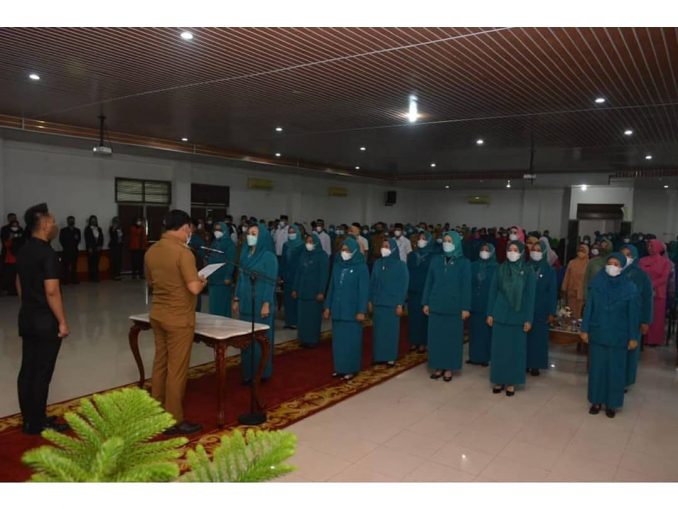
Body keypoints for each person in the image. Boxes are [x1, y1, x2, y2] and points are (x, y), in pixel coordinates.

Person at [145, 209, 207, 435]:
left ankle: (156, 412)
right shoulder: (183, 253)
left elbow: (151, 283)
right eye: (189, 229)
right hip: (179, 318)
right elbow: (194, 288)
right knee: (177, 370)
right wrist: (202, 280)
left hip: (158, 315)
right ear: (184, 227)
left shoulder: (152, 251)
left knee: (160, 363)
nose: (190, 233)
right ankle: (173, 420)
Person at [16, 203, 69, 434]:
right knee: (42, 372)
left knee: (27, 369)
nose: (55, 225)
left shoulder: (24, 250)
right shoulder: (47, 253)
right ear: (45, 224)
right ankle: (38, 423)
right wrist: (62, 321)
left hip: (27, 317)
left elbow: (19, 282)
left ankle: (29, 418)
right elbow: (52, 291)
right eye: (53, 221)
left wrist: (29, 304)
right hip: (46, 322)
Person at [580, 253, 640, 418]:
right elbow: (589, 308)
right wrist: (584, 329)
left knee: (615, 371)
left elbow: (633, 315)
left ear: (622, 267)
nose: (612, 266)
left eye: (616, 264)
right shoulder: (596, 284)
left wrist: (633, 337)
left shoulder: (630, 288)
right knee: (597, 369)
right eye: (610, 263)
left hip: (619, 335)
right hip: (598, 332)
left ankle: (612, 403)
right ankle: (596, 401)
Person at [487, 240, 536, 396]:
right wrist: (490, 313)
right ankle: (498, 379)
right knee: (499, 350)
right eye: (510, 249)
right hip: (500, 314)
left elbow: (530, 297)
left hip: (518, 316)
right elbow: (493, 292)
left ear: (521, 252)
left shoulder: (528, 271)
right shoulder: (500, 269)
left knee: (515, 351)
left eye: (515, 250)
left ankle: (511, 382)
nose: (512, 252)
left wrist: (529, 319)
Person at [421, 231, 471, 382]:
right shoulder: (436, 260)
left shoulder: (464, 263)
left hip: (454, 306)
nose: (446, 243)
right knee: (436, 338)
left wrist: (465, 307)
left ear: (456, 243)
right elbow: (429, 281)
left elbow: (466, 286)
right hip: (436, 304)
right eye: (445, 240)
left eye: (450, 241)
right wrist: (426, 302)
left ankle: (449, 368)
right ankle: (438, 366)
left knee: (451, 339)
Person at [233, 223, 278, 382]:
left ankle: (262, 372)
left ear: (262, 237)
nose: (250, 236)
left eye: (254, 234)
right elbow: (240, 278)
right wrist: (236, 298)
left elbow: (271, 282)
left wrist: (266, 303)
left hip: (261, 303)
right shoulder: (245, 254)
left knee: (260, 340)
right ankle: (248, 372)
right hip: (246, 302)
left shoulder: (269, 256)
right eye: (249, 233)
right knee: (246, 340)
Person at [323, 238, 369, 381]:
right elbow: (331, 287)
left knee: (351, 341)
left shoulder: (361, 267)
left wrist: (361, 310)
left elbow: (363, 290)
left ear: (354, 251)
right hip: (338, 309)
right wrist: (327, 306)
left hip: (352, 311)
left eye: (348, 250)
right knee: (338, 342)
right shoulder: (337, 265)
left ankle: (351, 368)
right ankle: (340, 368)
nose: (345, 252)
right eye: (343, 250)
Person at [369, 238, 409, 367]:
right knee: (378, 332)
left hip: (392, 303)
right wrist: (370, 300)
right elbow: (372, 282)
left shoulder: (400, 265)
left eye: (387, 246)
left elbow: (403, 285)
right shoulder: (377, 263)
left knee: (390, 331)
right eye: (383, 246)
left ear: (393, 249)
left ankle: (390, 356)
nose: (384, 248)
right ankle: (379, 356)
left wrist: (400, 303)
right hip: (378, 302)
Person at [620, 243, 653, 389]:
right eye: (623, 254)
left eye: (629, 255)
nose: (625, 258)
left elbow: (647, 299)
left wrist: (645, 320)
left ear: (635, 257)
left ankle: (626, 380)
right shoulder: (614, 271)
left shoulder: (642, 275)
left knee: (630, 350)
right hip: (615, 318)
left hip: (634, 318)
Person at [526, 240, 557, 376]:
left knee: (538, 338)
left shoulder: (549, 270)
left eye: (539, 250)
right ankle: (525, 363)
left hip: (542, 308)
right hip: (526, 308)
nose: (535, 252)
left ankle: (535, 365)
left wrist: (551, 312)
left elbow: (553, 292)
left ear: (544, 252)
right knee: (525, 337)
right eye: (534, 250)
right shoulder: (525, 267)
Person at [292, 233, 330, 348]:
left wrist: (321, 291)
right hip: (302, 291)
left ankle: (312, 339)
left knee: (312, 317)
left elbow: (324, 275)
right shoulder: (303, 254)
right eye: (307, 242)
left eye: (311, 242)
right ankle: (303, 339)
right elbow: (298, 272)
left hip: (314, 292)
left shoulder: (322, 255)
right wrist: (295, 289)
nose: (309, 244)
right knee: (302, 318)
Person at [468, 242, 498, 366]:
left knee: (486, 332)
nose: (484, 252)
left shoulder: (496, 267)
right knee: (474, 331)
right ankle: (474, 356)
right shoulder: (473, 265)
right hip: (474, 303)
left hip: (488, 303)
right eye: (483, 249)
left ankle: (485, 357)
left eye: (487, 250)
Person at [639, 239, 673, 346]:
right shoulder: (642, 260)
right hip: (643, 292)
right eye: (648, 246)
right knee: (644, 315)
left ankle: (654, 339)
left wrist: (651, 285)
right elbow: (639, 275)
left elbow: (664, 278)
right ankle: (643, 338)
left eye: (652, 246)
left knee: (656, 317)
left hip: (658, 293)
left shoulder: (665, 262)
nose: (649, 248)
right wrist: (645, 286)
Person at [406, 231, 434, 353]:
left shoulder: (433, 256)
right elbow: (408, 271)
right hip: (413, 290)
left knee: (424, 318)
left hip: (425, 290)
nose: (421, 241)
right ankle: (414, 341)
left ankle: (424, 342)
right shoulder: (412, 255)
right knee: (413, 317)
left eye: (424, 238)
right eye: (420, 238)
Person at [206, 222, 236, 318]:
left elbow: (231, 262)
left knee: (222, 305)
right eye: (215, 230)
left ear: (225, 231)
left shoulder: (230, 244)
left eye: (219, 230)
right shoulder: (214, 243)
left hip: (223, 279)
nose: (217, 232)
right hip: (213, 278)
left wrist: (228, 276)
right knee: (213, 305)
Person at [280, 223, 305, 329]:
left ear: (298, 233)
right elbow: (283, 260)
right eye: (289, 232)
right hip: (287, 276)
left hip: (297, 275)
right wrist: (281, 274)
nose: (291, 234)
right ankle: (288, 321)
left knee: (296, 299)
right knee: (287, 299)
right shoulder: (285, 245)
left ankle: (296, 321)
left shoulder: (302, 245)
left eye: (293, 232)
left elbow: (302, 262)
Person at [561, 243, 589, 319]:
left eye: (583, 251)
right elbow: (567, 276)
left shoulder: (589, 264)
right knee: (570, 313)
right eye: (579, 250)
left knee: (580, 314)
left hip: (582, 293)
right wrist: (564, 288)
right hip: (571, 291)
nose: (580, 252)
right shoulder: (572, 263)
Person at [1, 217, 23, 295]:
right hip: (10, 258)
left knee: (18, 276)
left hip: (19, 258)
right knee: (10, 275)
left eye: (16, 225)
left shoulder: (21, 234)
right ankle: (9, 290)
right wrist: (10, 238)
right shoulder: (7, 234)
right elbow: (6, 245)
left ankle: (17, 290)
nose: (15, 227)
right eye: (13, 226)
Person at [58, 216, 81, 284]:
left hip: (74, 250)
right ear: (67, 221)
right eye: (70, 220)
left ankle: (74, 280)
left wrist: (73, 245)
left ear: (74, 221)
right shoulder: (63, 230)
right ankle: (65, 280)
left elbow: (78, 240)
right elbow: (61, 240)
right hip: (66, 251)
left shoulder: (77, 230)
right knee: (65, 266)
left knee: (74, 266)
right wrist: (66, 247)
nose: (71, 221)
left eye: (72, 220)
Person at [84, 215, 103, 282]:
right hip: (91, 248)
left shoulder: (99, 229)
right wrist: (89, 247)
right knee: (91, 263)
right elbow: (87, 239)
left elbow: (101, 238)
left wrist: (100, 246)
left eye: (95, 220)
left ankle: (96, 277)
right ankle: (92, 278)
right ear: (90, 221)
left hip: (98, 248)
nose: (93, 221)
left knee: (96, 263)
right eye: (92, 220)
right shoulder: (87, 229)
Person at [108, 217, 124, 281]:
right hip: (113, 247)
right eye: (115, 221)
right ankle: (114, 275)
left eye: (118, 221)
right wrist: (114, 228)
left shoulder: (121, 228)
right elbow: (112, 235)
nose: (117, 222)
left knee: (119, 261)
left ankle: (118, 274)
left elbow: (123, 236)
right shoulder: (111, 228)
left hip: (119, 247)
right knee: (114, 261)